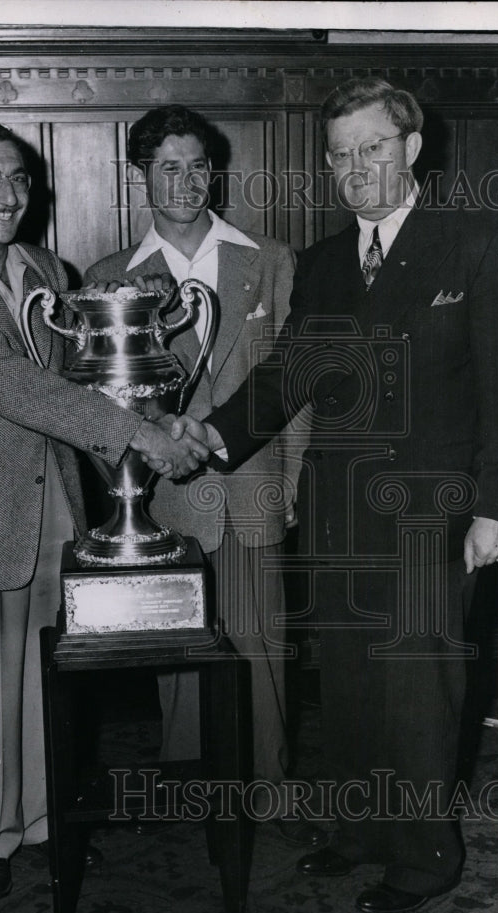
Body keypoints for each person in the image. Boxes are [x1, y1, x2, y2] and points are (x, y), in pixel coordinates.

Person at [176, 77, 498, 913]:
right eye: (340, 154)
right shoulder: (327, 262)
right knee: (347, 683)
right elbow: (288, 375)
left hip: (432, 518)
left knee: (417, 689)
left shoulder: (478, 245)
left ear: (413, 148)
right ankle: (363, 830)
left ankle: (422, 855)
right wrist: (213, 437)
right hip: (336, 509)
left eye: (374, 146)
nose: (356, 167)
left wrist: (496, 509)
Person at [0, 115, 207, 900]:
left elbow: (81, 380)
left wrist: (160, 421)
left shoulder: (42, 266)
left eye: (19, 178)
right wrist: (138, 431)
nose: (8, 194)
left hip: (56, 511)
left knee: (45, 686)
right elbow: (16, 386)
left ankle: (40, 824)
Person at [84, 105, 322, 844]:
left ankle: (269, 790)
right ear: (143, 177)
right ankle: (192, 788)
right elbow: (96, 406)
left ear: (215, 172)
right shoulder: (110, 279)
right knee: (180, 657)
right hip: (167, 504)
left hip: (253, 490)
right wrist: (133, 475)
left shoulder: (271, 259)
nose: (187, 183)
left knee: (262, 646)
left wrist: (289, 484)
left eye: (198, 166)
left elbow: (296, 389)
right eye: (169, 168)